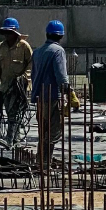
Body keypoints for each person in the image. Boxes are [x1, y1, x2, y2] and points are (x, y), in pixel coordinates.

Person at [30, 19, 70, 159]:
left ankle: (41, 161)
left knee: (43, 131)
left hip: (40, 97)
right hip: (53, 97)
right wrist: (68, 93)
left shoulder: (37, 52)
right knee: (53, 133)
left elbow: (33, 75)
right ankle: (45, 162)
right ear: (61, 36)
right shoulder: (58, 51)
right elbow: (61, 76)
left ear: (47, 34)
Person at [0, 17, 32, 147]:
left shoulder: (24, 46)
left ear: (15, 33)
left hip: (19, 87)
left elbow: (31, 64)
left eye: (9, 33)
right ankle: (16, 139)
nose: (7, 36)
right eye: (6, 33)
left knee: (14, 112)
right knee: (11, 113)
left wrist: (24, 77)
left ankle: (9, 140)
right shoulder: (1, 47)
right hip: (5, 86)